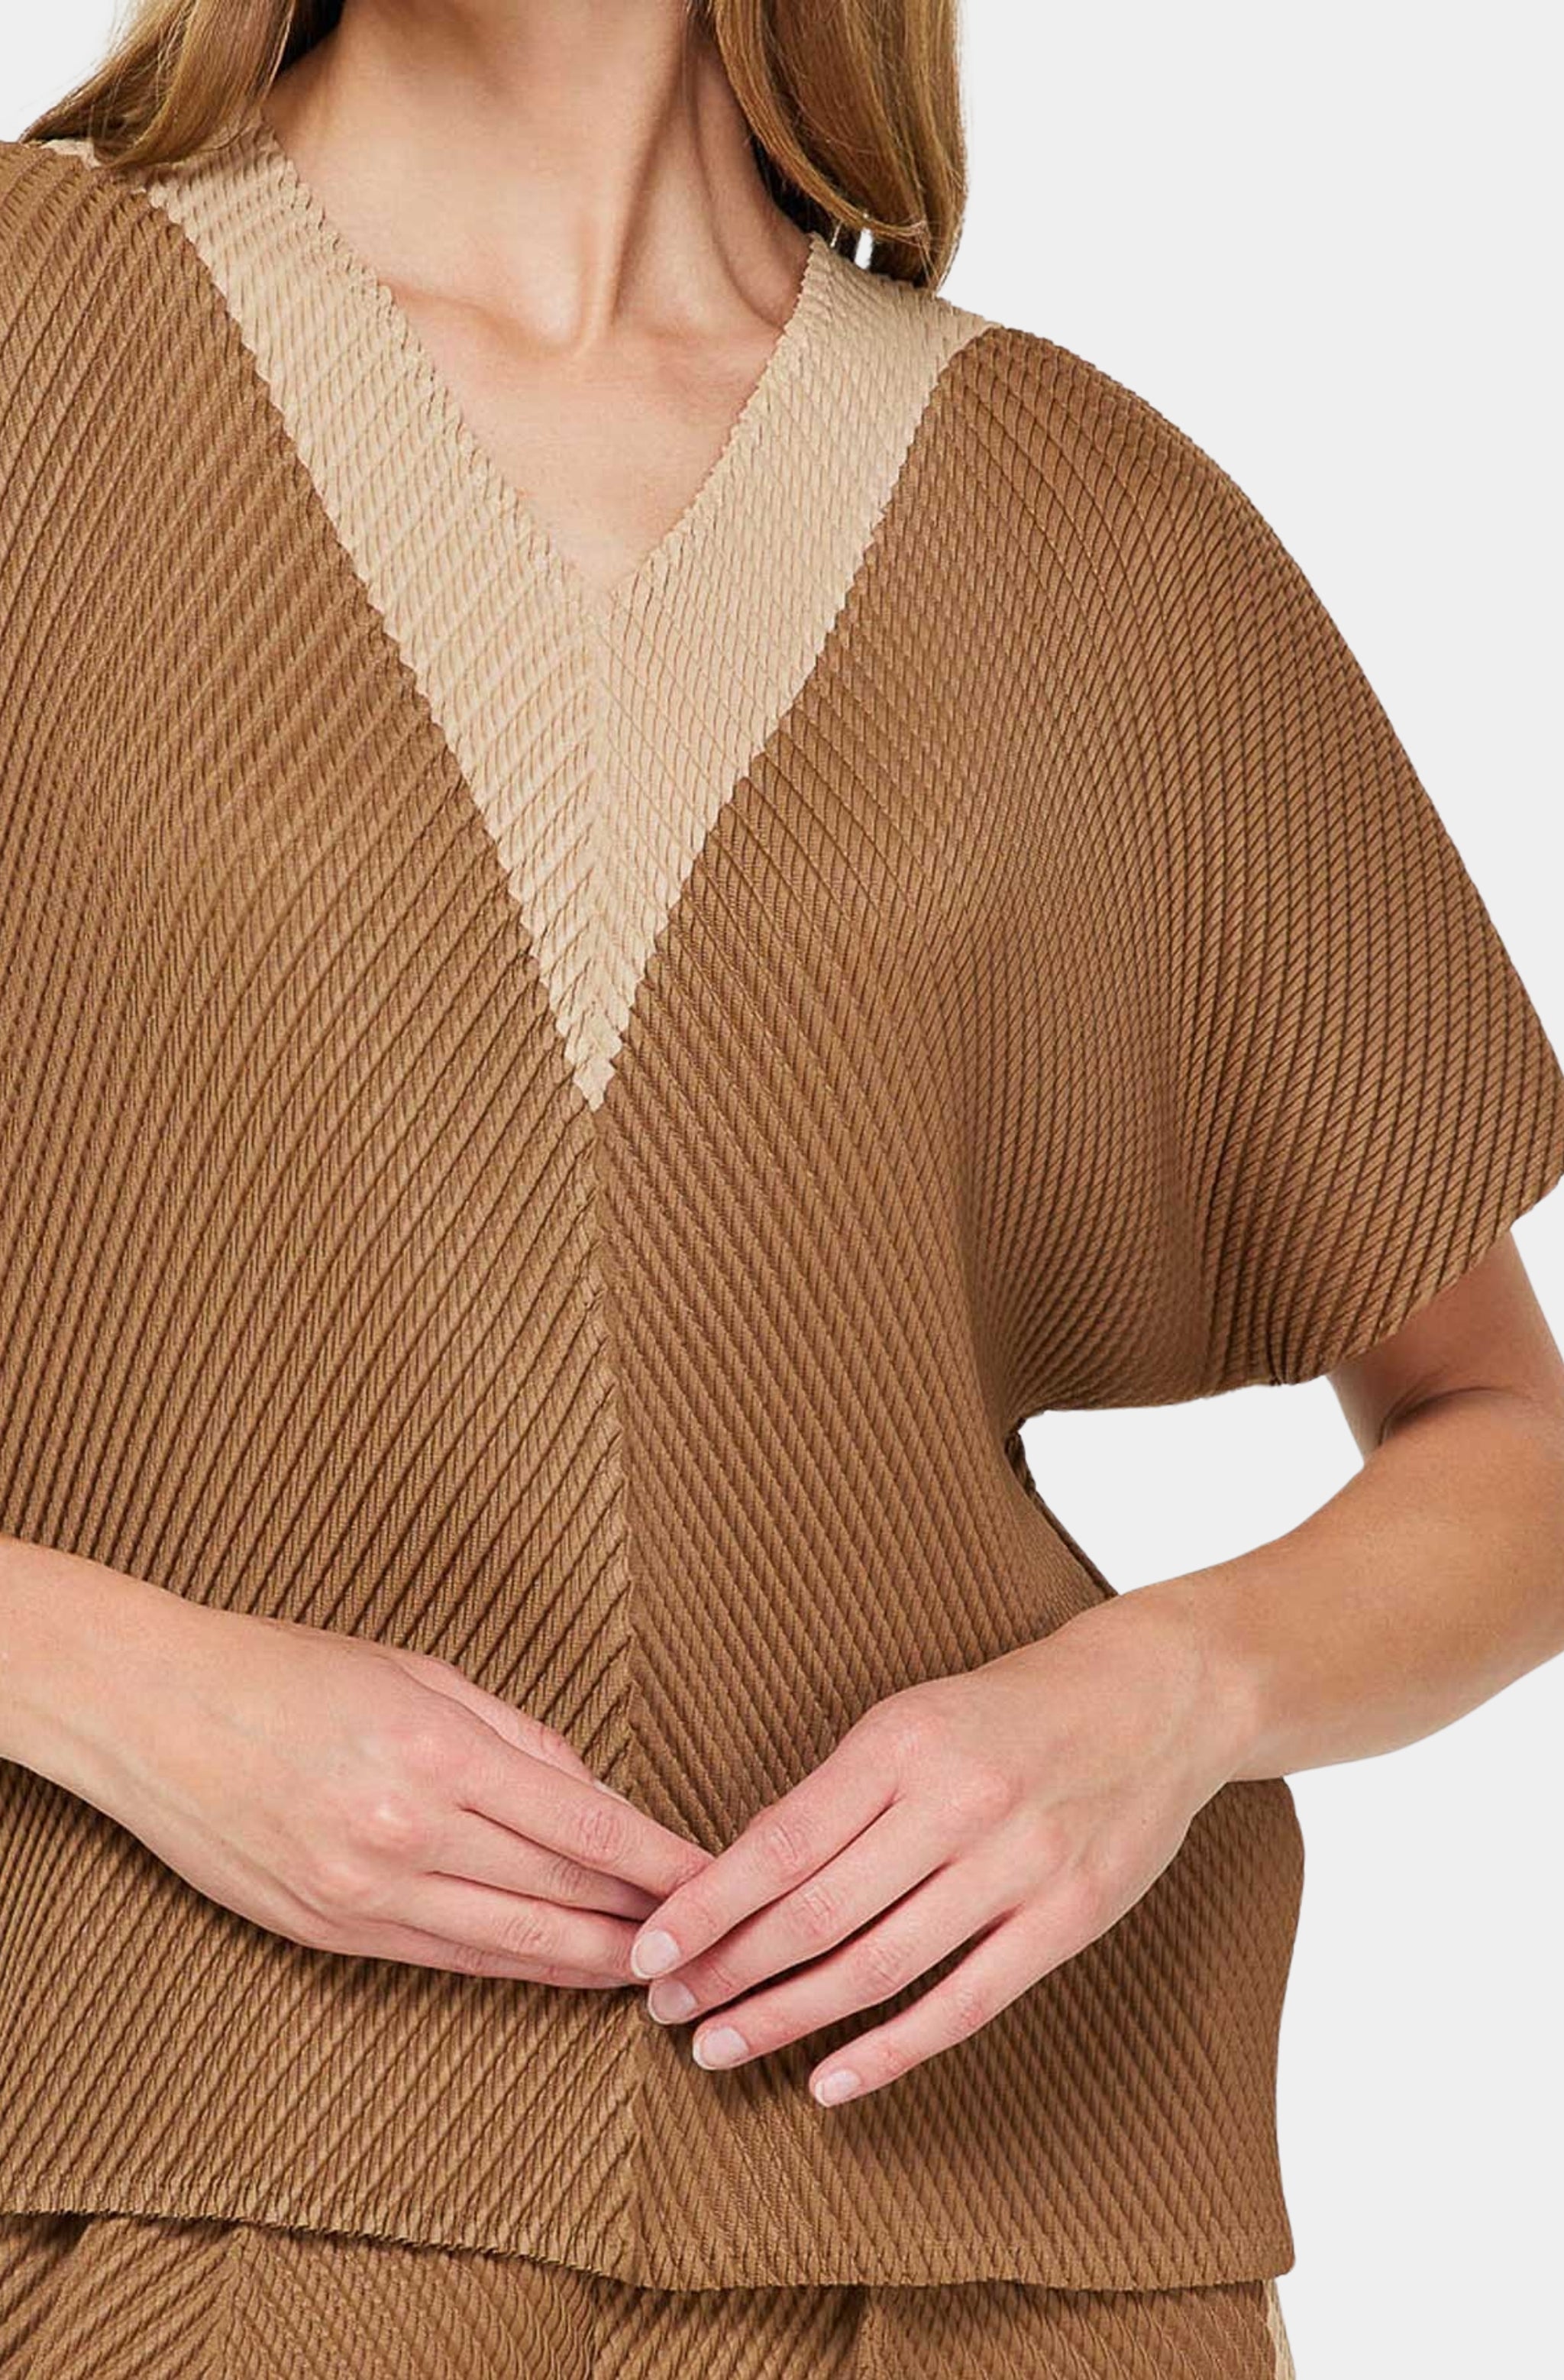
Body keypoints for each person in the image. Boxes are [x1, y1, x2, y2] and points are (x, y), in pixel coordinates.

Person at [2, 0, 1561, 2372]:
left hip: (1017, 2245)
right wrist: (125, 1686)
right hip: (186, 2188)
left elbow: (1505, 1440)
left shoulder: (1088, 523)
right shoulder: (38, 349)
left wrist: (1157, 1700)